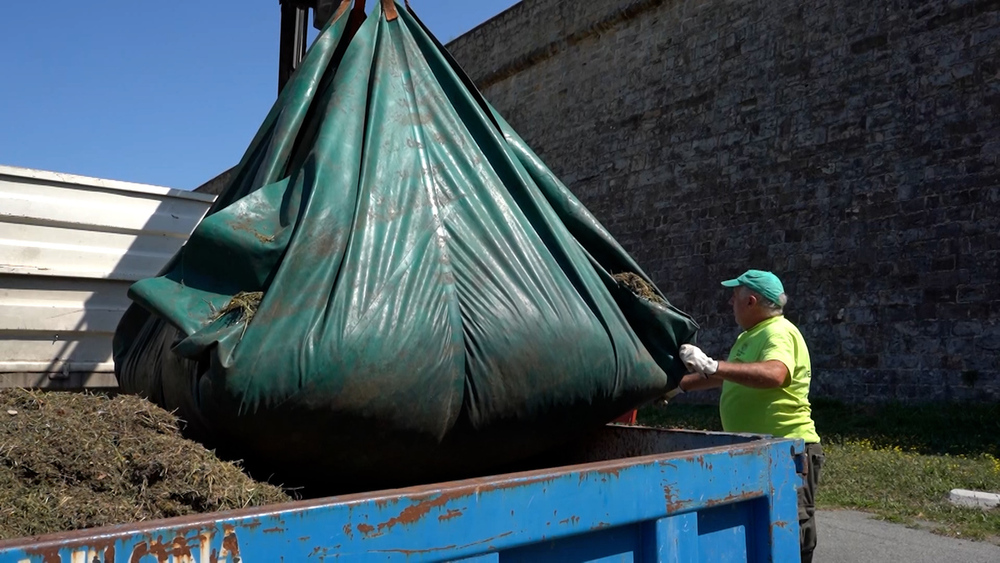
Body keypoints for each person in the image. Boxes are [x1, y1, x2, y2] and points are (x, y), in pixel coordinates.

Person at [674, 269, 823, 563]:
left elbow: (775, 373)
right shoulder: (750, 336)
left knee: (789, 535)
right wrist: (678, 387)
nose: (731, 302)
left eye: (735, 296)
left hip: (788, 452)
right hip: (761, 452)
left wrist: (713, 365)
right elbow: (730, 375)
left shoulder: (777, 331)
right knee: (761, 533)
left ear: (751, 301)